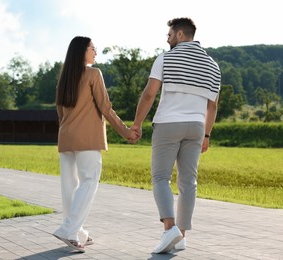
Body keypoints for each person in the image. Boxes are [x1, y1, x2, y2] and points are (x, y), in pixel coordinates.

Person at [131, 17, 221, 254]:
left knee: (161, 178)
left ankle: (169, 228)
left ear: (181, 35)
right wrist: (207, 135)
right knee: (188, 181)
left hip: (168, 125)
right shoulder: (213, 65)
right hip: (196, 127)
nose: (167, 39)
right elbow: (212, 106)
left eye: (170, 34)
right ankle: (181, 236)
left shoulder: (166, 58)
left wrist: (137, 123)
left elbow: (150, 94)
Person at [53, 36, 139, 253]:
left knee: (70, 186)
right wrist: (126, 132)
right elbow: (106, 108)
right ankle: (68, 229)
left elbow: (60, 112)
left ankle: (76, 232)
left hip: (66, 136)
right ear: (83, 51)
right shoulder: (93, 73)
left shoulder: (64, 78)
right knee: (89, 181)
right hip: (87, 138)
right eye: (93, 48)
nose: (96, 52)